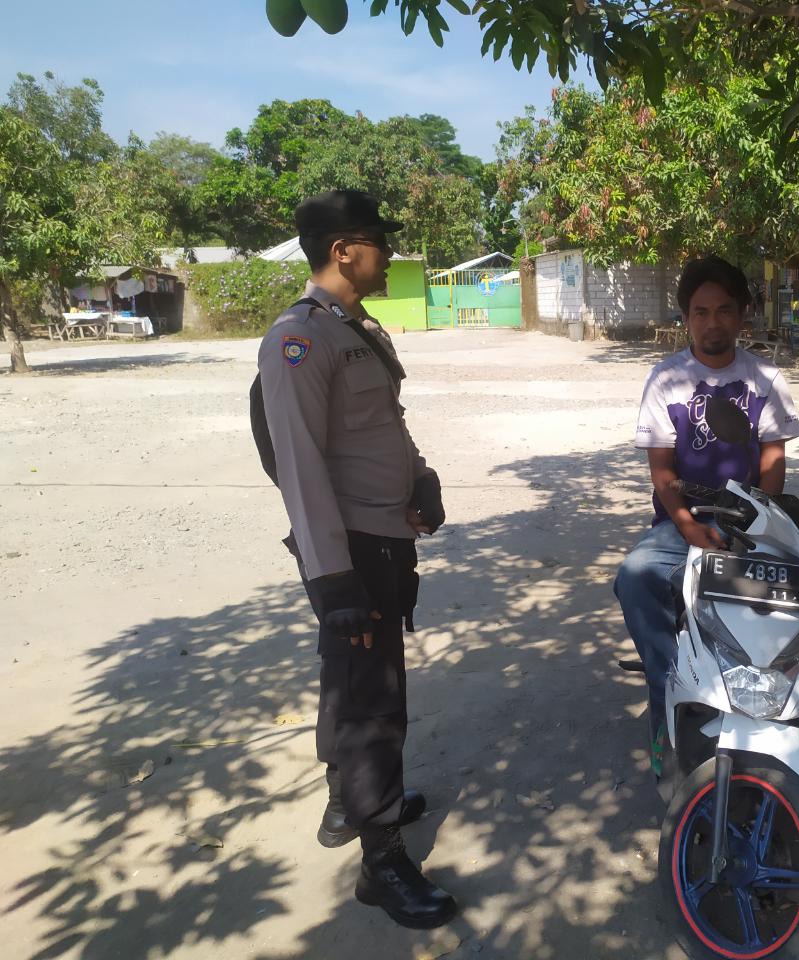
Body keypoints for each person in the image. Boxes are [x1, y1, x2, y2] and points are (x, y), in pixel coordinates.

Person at [257, 190, 456, 930]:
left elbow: (383, 425)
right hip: (351, 548)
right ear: (343, 251)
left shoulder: (355, 327)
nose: (390, 254)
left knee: (349, 682)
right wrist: (332, 579)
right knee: (375, 703)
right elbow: (300, 467)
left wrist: (421, 479)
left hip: (384, 535)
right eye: (380, 242)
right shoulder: (297, 340)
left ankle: (348, 803)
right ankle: (382, 861)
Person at [613, 256, 799, 774]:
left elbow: (773, 462)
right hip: (682, 523)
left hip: (750, 523)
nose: (712, 322)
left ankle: (774, 719)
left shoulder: (765, 378)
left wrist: (758, 527)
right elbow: (662, 471)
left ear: (742, 315)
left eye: (723, 311)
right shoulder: (665, 379)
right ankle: (668, 693)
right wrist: (689, 527)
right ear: (686, 318)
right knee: (636, 577)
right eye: (700, 312)